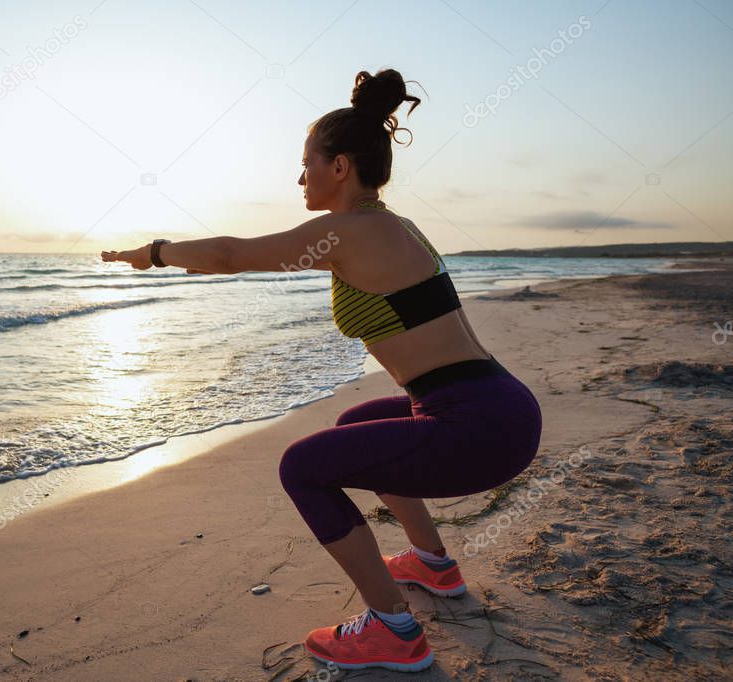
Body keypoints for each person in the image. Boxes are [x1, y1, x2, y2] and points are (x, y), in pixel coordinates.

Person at [101, 67, 542, 673]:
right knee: (357, 421)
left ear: (340, 167)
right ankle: (433, 566)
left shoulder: (345, 232)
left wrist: (152, 253)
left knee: (303, 466)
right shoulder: (393, 225)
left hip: (477, 429)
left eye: (306, 162)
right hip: (500, 407)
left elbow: (231, 255)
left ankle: (394, 631)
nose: (299, 176)